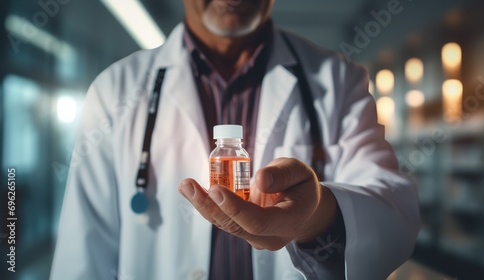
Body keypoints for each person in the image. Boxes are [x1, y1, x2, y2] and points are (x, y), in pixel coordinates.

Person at [50, 0, 420, 279]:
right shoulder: (115, 89)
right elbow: (81, 256)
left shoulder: (338, 79)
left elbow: (394, 213)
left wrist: (316, 215)